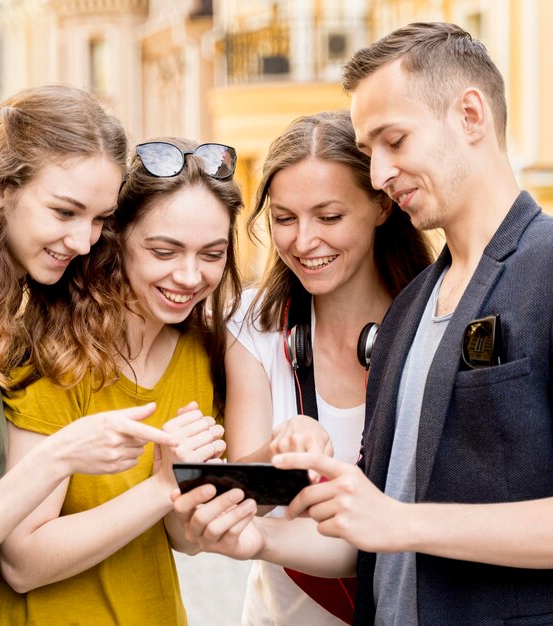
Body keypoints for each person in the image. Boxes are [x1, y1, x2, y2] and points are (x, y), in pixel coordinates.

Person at [170, 21, 553, 626]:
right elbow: (368, 531)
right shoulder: (408, 312)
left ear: (470, 115)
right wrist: (261, 540)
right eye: (369, 150)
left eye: (394, 141)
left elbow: (391, 520)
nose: (379, 172)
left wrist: (402, 521)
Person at [0, 85, 181, 626]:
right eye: (65, 211)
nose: (83, 241)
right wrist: (59, 457)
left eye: (99, 219)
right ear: (1, 188)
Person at [0, 138, 242, 626]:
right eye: (165, 251)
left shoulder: (204, 352)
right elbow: (21, 562)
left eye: (212, 254)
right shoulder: (58, 351)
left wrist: (191, 488)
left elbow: (183, 541)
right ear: (116, 239)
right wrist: (163, 485)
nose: (190, 276)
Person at [224, 110, 432, 625]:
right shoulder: (252, 326)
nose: (302, 241)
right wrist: (274, 452)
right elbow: (240, 492)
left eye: (329, 217)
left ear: (383, 205)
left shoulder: (437, 322)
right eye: (284, 218)